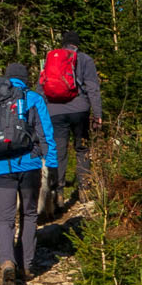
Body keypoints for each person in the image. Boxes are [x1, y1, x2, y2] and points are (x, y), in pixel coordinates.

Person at [0, 61, 57, 285]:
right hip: (29, 166)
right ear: (25, 78)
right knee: (29, 215)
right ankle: (25, 266)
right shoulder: (33, 99)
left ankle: (7, 262)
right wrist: (53, 167)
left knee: (4, 219)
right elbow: (46, 135)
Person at [38, 28, 103, 200]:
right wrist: (97, 114)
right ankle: (84, 190)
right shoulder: (84, 59)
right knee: (82, 148)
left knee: (59, 152)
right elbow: (92, 88)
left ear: (63, 44)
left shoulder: (51, 59)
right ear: (77, 44)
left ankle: (58, 193)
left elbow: (42, 87)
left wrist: (39, 115)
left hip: (55, 112)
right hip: (79, 111)